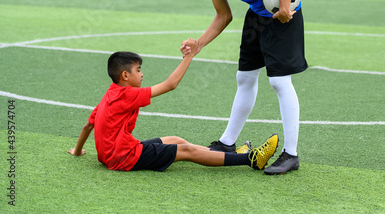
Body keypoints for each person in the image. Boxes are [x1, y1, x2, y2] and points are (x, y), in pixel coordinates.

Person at [159, 0, 307, 175]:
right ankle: (227, 143)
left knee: (279, 81)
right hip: (257, 14)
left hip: (283, 16)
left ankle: (291, 154)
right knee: (245, 78)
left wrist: (283, 8)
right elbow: (223, 16)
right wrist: (199, 44)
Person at [67, 42, 279, 172]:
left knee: (176, 140)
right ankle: (250, 159)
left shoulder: (110, 93)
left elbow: (88, 125)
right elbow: (171, 85)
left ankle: (233, 154)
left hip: (111, 154)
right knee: (185, 150)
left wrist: (77, 151)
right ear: (125, 75)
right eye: (138, 70)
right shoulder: (128, 94)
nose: (142, 74)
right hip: (123, 158)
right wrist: (189, 56)